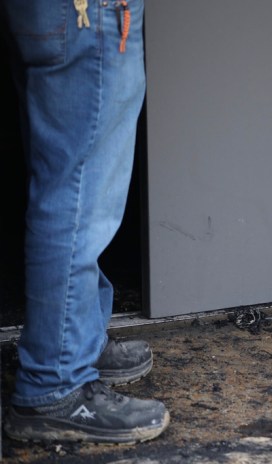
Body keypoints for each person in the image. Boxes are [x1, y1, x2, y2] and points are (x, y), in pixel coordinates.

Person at [1, 0, 170, 443]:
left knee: (65, 178)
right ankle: (55, 383)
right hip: (87, 11)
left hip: (58, 13)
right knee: (77, 193)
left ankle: (78, 340)